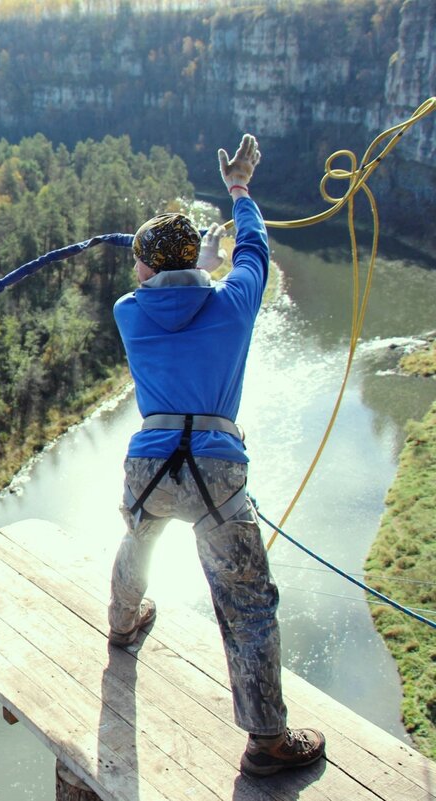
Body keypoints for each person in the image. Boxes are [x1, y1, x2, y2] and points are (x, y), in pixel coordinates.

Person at [107, 134, 326, 777]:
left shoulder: (129, 313)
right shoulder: (234, 306)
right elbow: (253, 252)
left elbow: (166, 288)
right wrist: (239, 192)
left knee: (138, 541)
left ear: (147, 270)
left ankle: (122, 623)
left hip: (147, 465)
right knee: (248, 603)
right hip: (217, 474)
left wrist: (191, 261)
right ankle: (266, 741)